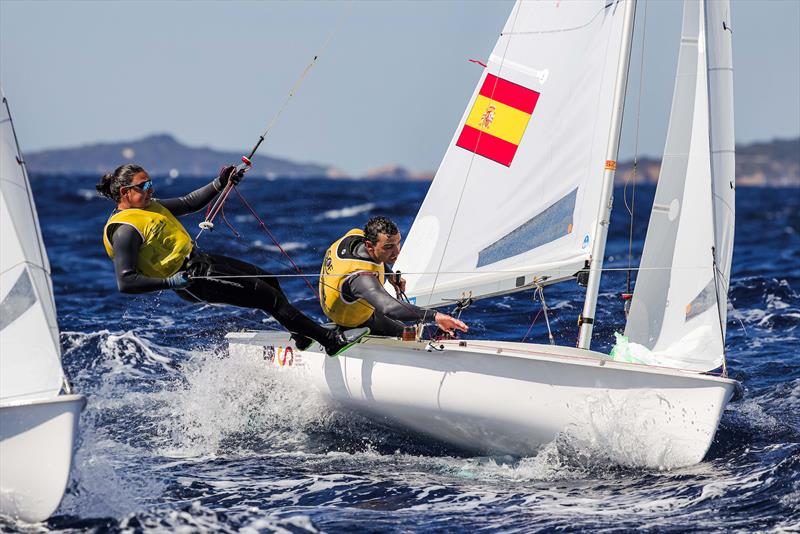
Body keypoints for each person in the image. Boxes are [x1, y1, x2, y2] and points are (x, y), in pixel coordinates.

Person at [97, 163, 368, 356]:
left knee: (268, 281)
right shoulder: (124, 230)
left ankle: (300, 334)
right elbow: (126, 281)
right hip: (193, 280)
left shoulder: (149, 206)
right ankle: (329, 341)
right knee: (268, 299)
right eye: (144, 185)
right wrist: (171, 281)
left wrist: (220, 182)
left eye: (150, 183)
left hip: (203, 262)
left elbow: (190, 202)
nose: (150, 189)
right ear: (124, 193)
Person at [318, 216, 468, 338]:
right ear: (370, 245)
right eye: (388, 247)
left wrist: (389, 274)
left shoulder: (354, 236)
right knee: (412, 336)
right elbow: (389, 307)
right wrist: (436, 316)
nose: (397, 252)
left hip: (342, 305)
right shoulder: (361, 278)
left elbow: (371, 260)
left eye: (398, 243)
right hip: (353, 320)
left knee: (410, 330)